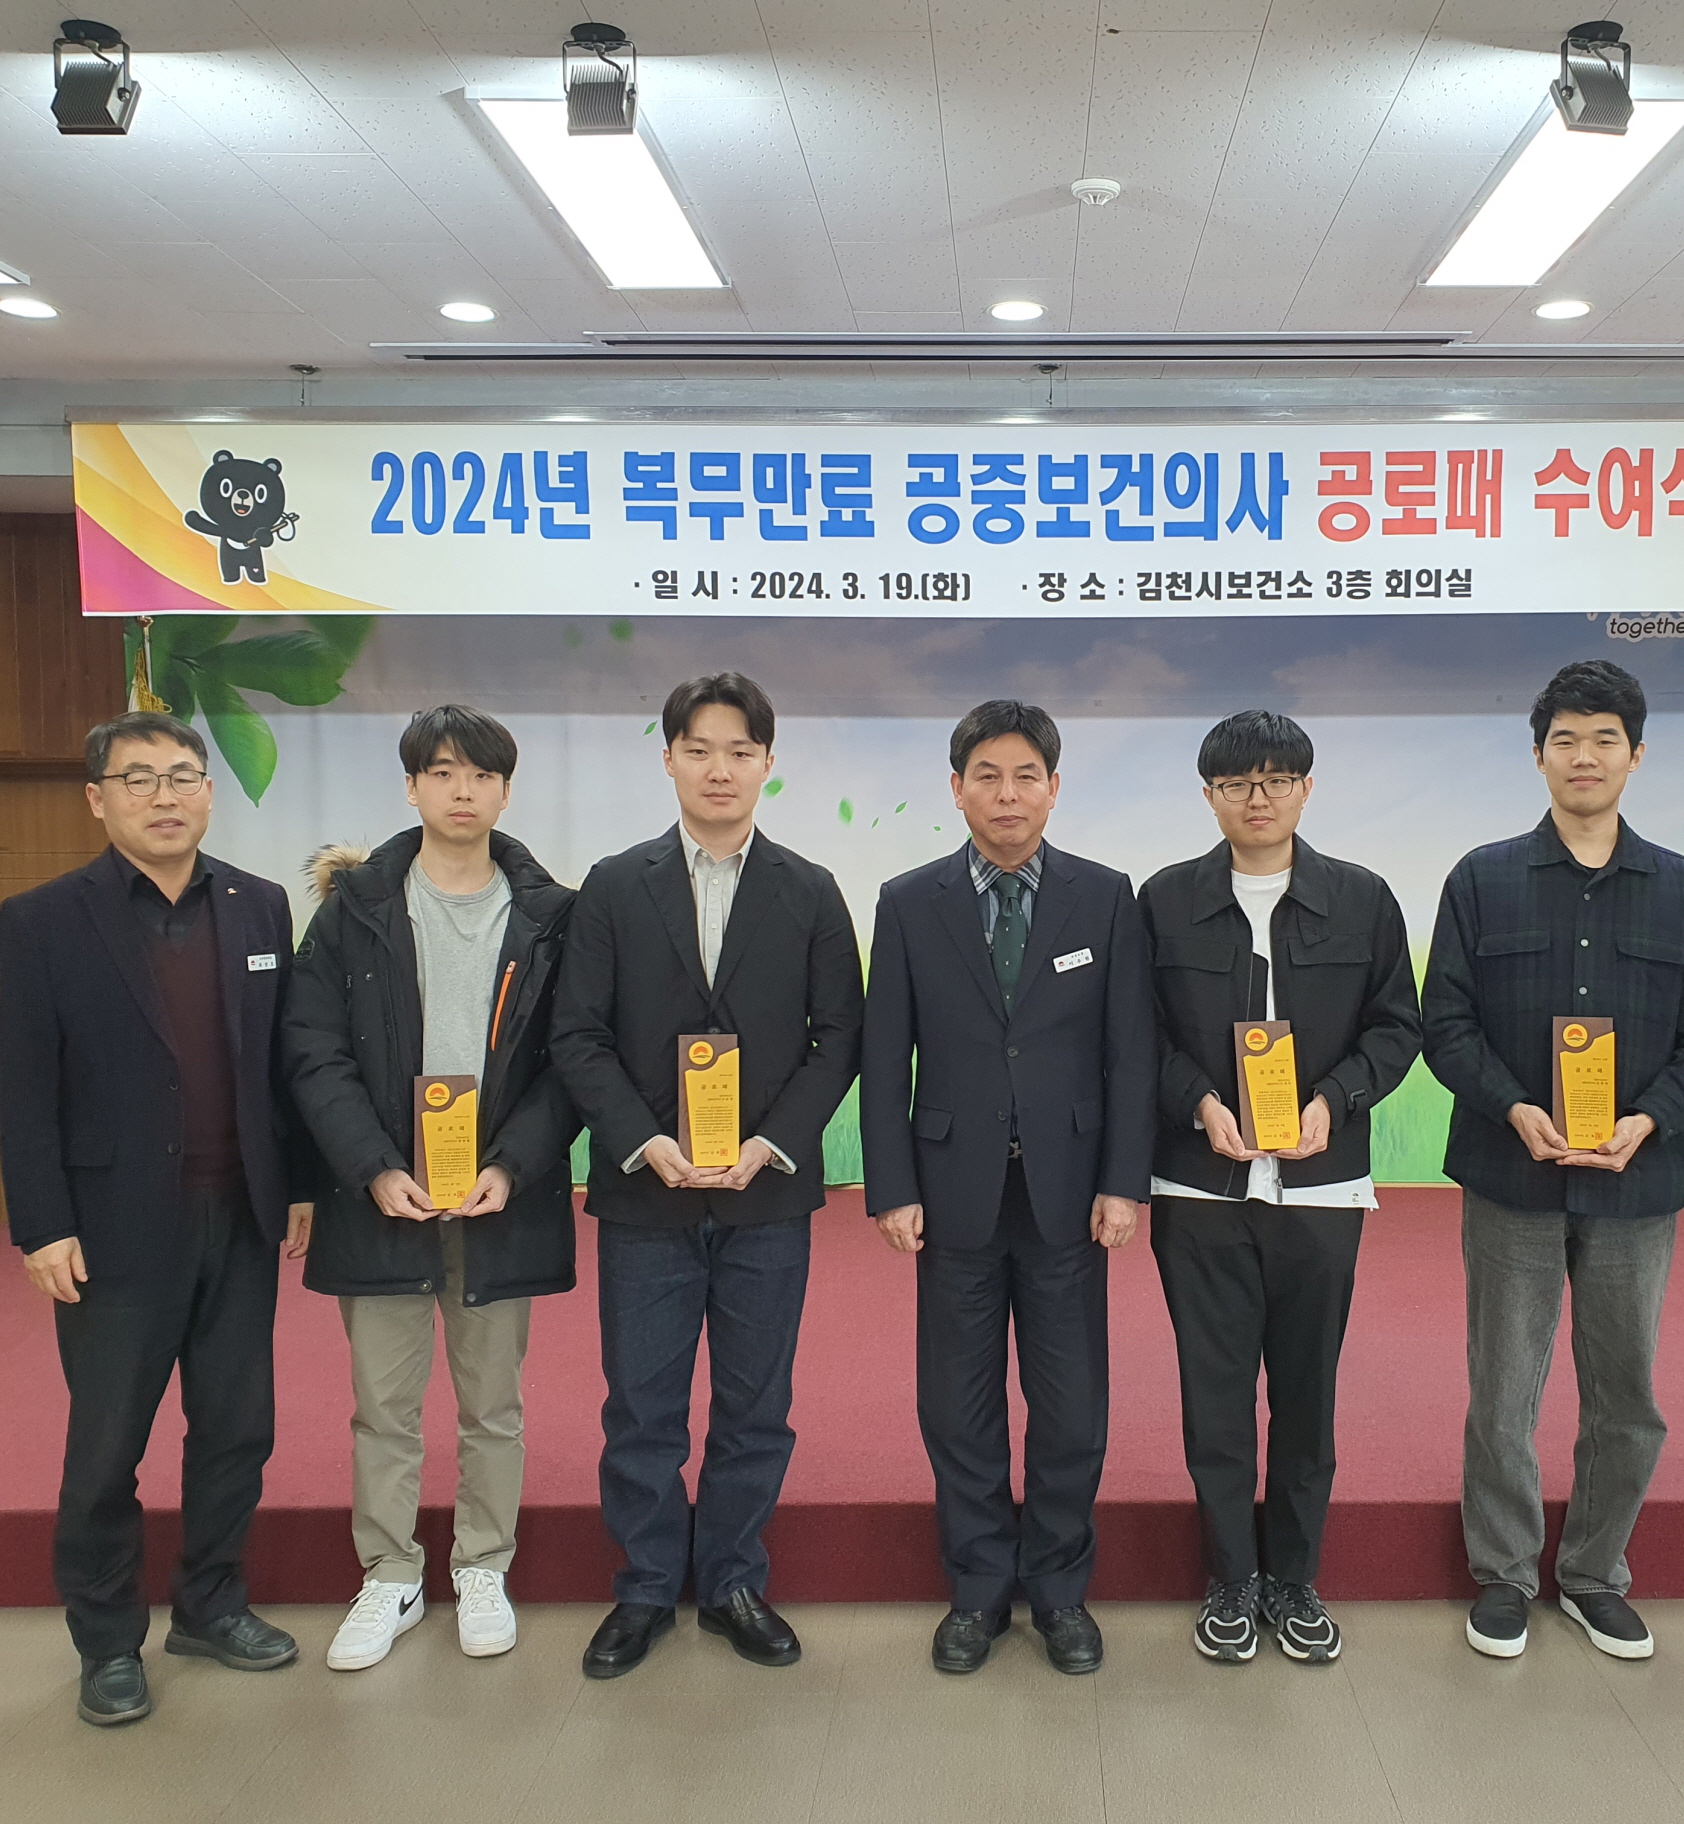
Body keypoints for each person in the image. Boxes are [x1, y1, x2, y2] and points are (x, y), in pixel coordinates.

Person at [1422, 660, 1684, 1664]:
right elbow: (1446, 1023)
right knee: (1503, 1388)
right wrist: (1512, 1107)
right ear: (1537, 755)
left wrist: (1649, 1119)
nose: (1583, 756)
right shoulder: (1481, 880)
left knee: (1624, 1393)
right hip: (1511, 1172)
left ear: (1635, 755)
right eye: (1564, 739)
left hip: (1635, 1182)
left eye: (1604, 738)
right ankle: (1504, 1574)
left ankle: (1596, 1574)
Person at [0, 711, 314, 1728]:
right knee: (106, 1449)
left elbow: (279, 1066)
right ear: (98, 799)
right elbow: (24, 1088)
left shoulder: (260, 906)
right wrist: (40, 1224)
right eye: (139, 779)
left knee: (237, 1429)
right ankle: (106, 1643)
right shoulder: (42, 920)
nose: (164, 796)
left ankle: (211, 1606)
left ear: (209, 793)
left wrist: (298, 1182)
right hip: (112, 1229)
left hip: (241, 1214)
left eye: (182, 776)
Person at [552, 673, 863, 1677]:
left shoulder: (809, 889)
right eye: (698, 750)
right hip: (646, 1193)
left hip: (766, 1195)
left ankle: (731, 1579)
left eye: (738, 751)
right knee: (640, 1406)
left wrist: (773, 1142)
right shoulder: (614, 884)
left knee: (753, 1403)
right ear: (668, 759)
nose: (718, 769)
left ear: (767, 763)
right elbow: (579, 1033)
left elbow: (837, 1037)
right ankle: (646, 1587)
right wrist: (644, 1140)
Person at [282, 705, 579, 1673]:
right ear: (411, 786)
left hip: (497, 1199)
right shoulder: (354, 910)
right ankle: (391, 1574)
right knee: (384, 1406)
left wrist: (511, 1165)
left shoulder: (551, 915)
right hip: (382, 1197)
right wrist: (372, 1165)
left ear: (505, 790)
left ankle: (484, 1564)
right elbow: (313, 1050)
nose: (462, 791)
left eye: (481, 775)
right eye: (442, 772)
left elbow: (571, 1060)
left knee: (494, 1405)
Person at [860, 699, 1155, 1677]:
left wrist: (1123, 1182)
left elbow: (1128, 1052)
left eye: (1026, 775)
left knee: (1071, 1409)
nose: (1007, 794)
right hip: (951, 1193)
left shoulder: (1102, 897)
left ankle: (1061, 1592)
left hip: (1070, 1194)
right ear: (956, 789)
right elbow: (884, 1055)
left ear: (1054, 788)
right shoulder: (909, 902)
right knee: (958, 1405)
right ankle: (979, 1590)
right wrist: (892, 1185)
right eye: (986, 775)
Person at [1138, 710, 1419, 1666]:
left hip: (1323, 1190)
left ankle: (1296, 1578)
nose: (1257, 799)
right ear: (1208, 794)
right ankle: (1231, 1579)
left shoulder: (1363, 899)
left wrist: (1336, 1101)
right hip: (1198, 1189)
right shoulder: (1164, 901)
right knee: (1215, 1397)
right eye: (1236, 783)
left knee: (1306, 1394)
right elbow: (1138, 1033)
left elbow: (1396, 1027)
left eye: (1276, 779)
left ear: (1306, 787)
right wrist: (1197, 1101)